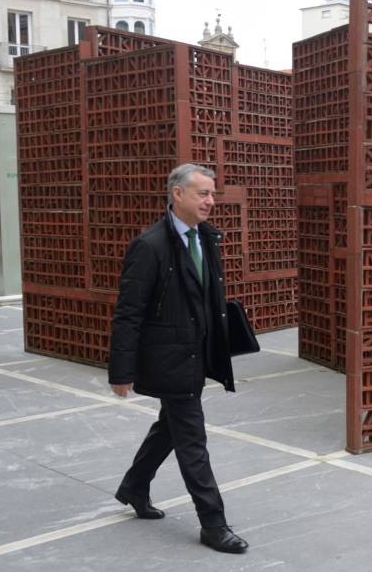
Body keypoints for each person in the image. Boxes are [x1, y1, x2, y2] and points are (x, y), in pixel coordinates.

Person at [108, 162, 248, 555]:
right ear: (178, 194)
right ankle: (213, 524)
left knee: (170, 427)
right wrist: (122, 370)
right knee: (192, 440)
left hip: (197, 354)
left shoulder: (207, 237)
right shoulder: (150, 245)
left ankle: (134, 486)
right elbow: (128, 313)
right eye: (203, 193)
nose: (211, 201)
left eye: (213, 193)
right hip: (169, 358)